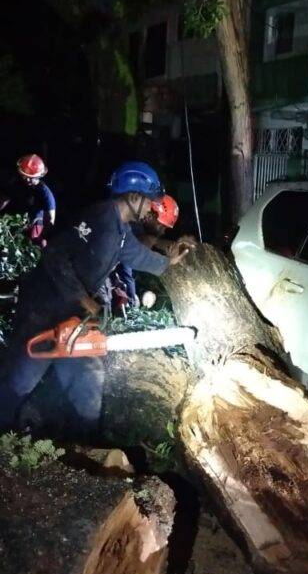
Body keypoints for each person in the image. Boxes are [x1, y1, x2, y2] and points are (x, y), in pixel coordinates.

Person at [0, 162, 194, 434]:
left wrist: (168, 262)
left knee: (87, 385)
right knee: (21, 381)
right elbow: (55, 257)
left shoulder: (122, 231)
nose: (152, 208)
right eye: (150, 201)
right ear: (134, 197)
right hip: (43, 309)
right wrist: (84, 299)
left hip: (73, 315)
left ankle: (83, 443)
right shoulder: (98, 218)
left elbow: (138, 256)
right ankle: (7, 439)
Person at [113, 193, 181, 308]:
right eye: (162, 226)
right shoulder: (129, 228)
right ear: (150, 216)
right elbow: (136, 249)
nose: (163, 231)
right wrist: (168, 260)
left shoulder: (136, 227)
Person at [0, 154, 56, 245]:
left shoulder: (45, 193)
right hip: (16, 220)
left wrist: (43, 235)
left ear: (38, 176)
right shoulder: (19, 183)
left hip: (34, 223)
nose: (27, 180)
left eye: (31, 177)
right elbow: (4, 199)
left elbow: (51, 220)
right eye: (25, 176)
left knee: (37, 242)